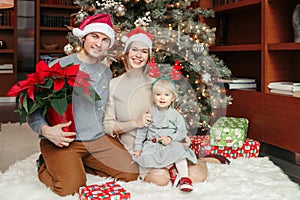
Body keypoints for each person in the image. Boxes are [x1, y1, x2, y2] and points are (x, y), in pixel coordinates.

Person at [27, 14, 139, 196]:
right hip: (63, 140)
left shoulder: (106, 72)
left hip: (96, 139)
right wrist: (46, 131)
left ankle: (79, 163)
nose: (99, 43)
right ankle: (45, 164)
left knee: (131, 172)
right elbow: (33, 111)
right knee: (70, 188)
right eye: (94, 36)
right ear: (83, 37)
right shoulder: (58, 66)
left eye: (105, 40)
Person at [103, 28, 210, 187]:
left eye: (144, 51)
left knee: (197, 176)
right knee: (161, 179)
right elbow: (107, 126)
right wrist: (135, 122)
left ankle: (190, 163)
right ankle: (172, 170)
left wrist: (179, 137)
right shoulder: (113, 85)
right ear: (126, 53)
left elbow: (171, 114)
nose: (139, 55)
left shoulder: (155, 82)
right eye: (134, 50)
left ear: (148, 56)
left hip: (165, 143)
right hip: (138, 148)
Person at [133, 77, 198, 192]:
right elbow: (142, 130)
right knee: (148, 158)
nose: (162, 98)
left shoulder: (175, 115)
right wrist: (138, 147)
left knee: (178, 151)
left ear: (173, 98)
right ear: (153, 97)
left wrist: (170, 138)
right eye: (158, 94)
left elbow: (182, 132)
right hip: (153, 144)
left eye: (166, 95)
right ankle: (171, 170)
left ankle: (184, 177)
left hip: (170, 144)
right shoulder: (150, 112)